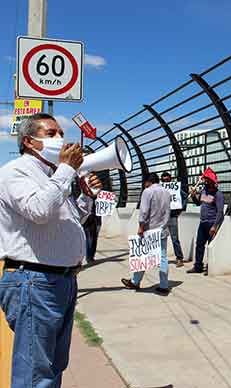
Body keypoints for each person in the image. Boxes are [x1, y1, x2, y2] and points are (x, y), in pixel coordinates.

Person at [0, 113, 102, 387]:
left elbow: (67, 223)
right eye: (51, 133)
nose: (60, 139)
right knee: (35, 372)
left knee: (53, 364)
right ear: (29, 142)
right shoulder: (16, 171)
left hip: (60, 281)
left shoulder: (52, 175)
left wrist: (85, 198)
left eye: (60, 132)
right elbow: (39, 211)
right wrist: (67, 170)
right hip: (34, 281)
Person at [121, 173, 172, 295]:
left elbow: (144, 211)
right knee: (163, 257)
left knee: (142, 255)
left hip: (149, 229)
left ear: (148, 181)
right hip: (162, 229)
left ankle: (135, 281)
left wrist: (141, 226)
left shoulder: (147, 192)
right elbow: (168, 211)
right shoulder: (166, 192)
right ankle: (164, 285)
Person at [187, 168, 225, 274]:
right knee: (199, 244)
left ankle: (210, 266)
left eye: (208, 180)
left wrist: (215, 226)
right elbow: (198, 203)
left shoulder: (218, 195)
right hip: (202, 222)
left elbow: (220, 212)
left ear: (213, 182)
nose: (206, 181)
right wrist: (194, 196)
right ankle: (198, 266)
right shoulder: (204, 191)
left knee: (210, 246)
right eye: (205, 180)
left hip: (211, 223)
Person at [161, 171, 186, 267]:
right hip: (162, 217)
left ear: (170, 179)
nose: (166, 182)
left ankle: (179, 258)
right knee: (160, 238)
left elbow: (184, 196)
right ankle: (159, 258)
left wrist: (181, 208)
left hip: (172, 216)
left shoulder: (175, 188)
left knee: (175, 238)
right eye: (164, 180)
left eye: (168, 180)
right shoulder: (160, 189)